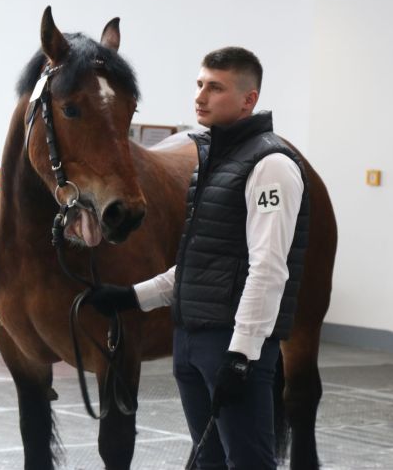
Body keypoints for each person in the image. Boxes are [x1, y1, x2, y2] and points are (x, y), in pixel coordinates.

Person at [87, 47, 309, 469]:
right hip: (189, 339)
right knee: (208, 460)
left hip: (231, 342)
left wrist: (242, 352)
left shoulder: (271, 165)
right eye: (199, 84)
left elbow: (268, 268)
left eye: (216, 87)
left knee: (248, 461)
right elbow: (198, 263)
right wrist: (131, 297)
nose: (201, 96)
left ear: (249, 99)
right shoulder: (211, 161)